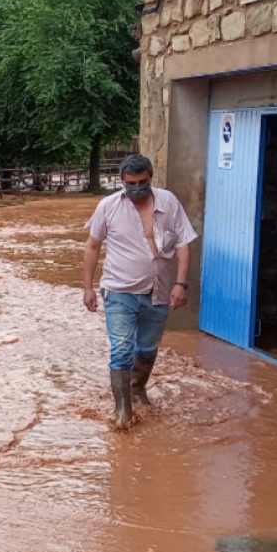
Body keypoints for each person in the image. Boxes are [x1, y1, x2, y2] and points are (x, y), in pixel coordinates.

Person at [83, 154, 198, 430]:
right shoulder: (108, 206)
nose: (136, 188)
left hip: (158, 289)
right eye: (130, 183)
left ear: (150, 177)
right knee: (122, 349)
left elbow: (183, 243)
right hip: (119, 289)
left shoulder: (169, 202)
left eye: (142, 182)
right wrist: (87, 287)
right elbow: (92, 246)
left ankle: (137, 389)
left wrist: (181, 284)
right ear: (122, 182)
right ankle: (123, 411)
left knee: (147, 348)